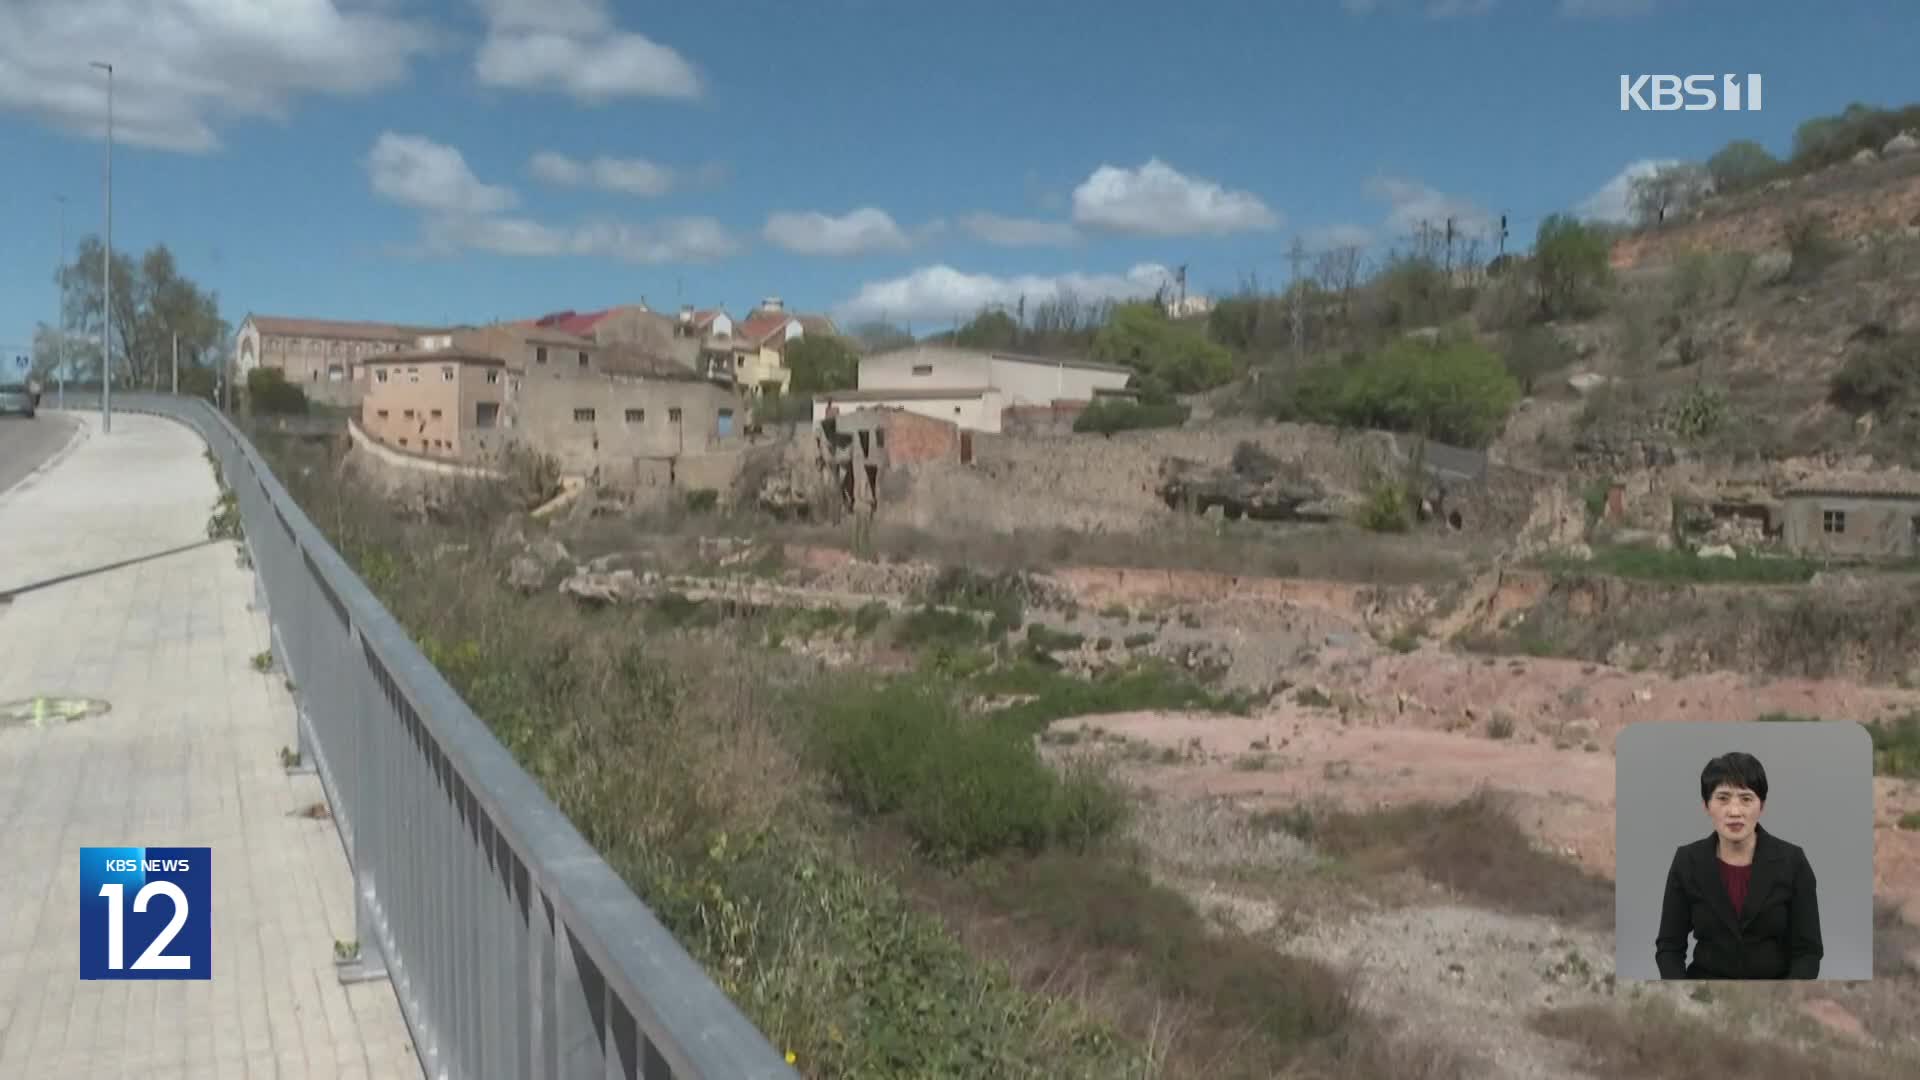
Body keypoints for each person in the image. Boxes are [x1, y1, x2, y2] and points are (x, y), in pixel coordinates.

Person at [1655, 751, 1822, 979]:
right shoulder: (1687, 862)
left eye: (1746, 799)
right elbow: (1669, 948)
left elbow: (1808, 951)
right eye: (1722, 798)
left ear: (1761, 806)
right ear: (1706, 805)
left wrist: (1786, 997)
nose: (1735, 811)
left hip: (1773, 994)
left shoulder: (1793, 862)